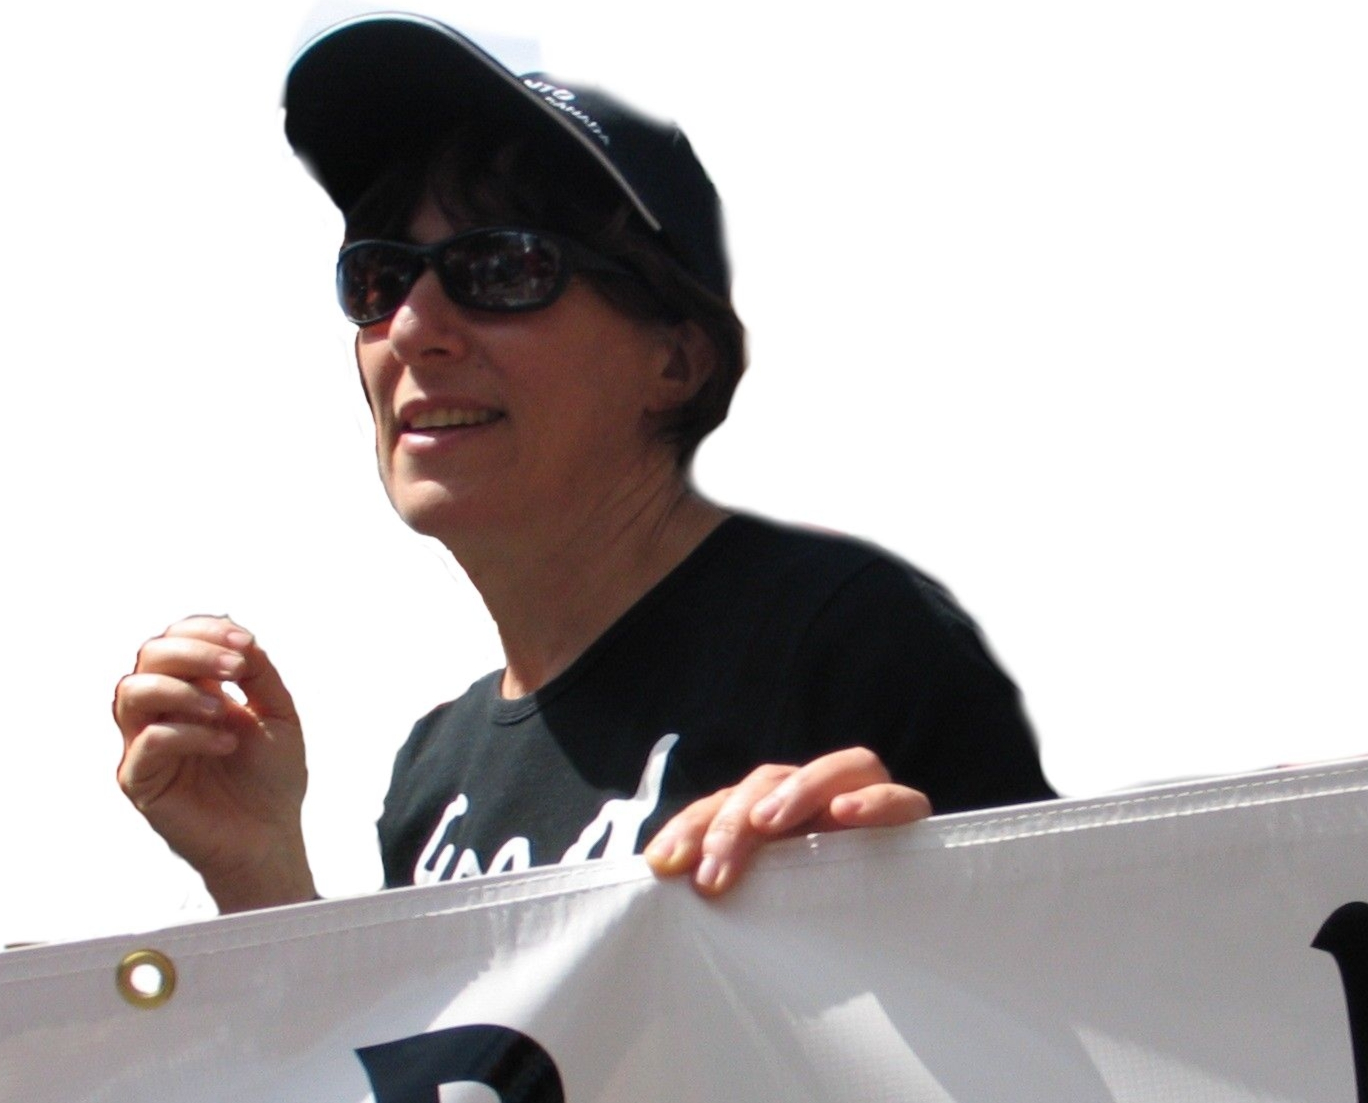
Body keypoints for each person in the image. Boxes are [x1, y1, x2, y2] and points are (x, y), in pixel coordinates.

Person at [111, 10, 1055, 914]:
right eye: (380, 275)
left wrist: (913, 916)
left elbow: (1098, 1023)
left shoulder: (848, 639)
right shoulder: (433, 776)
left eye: (503, 267)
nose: (411, 328)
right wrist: (262, 871)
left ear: (675, 358)